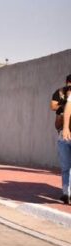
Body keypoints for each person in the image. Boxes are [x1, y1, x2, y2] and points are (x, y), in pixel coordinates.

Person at [52, 74, 71, 204]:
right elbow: (53, 106)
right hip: (63, 134)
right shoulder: (59, 93)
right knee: (65, 165)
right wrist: (65, 128)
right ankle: (66, 193)